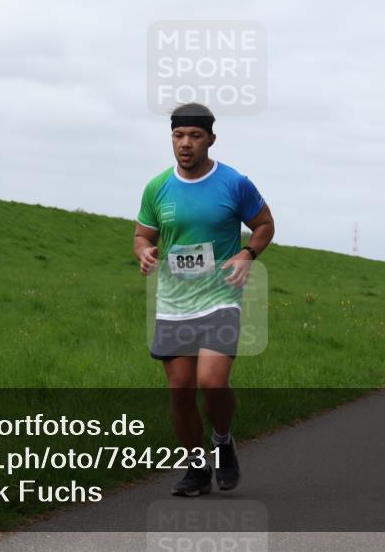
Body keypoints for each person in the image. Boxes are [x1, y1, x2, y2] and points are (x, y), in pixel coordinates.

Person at [134, 103, 275, 497]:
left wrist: (248, 253)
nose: (185, 144)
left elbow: (264, 224)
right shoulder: (157, 187)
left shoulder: (234, 183)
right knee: (180, 392)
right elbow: (142, 235)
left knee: (211, 383)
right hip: (174, 302)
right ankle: (197, 468)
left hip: (220, 297)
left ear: (211, 139)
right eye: (179, 136)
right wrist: (144, 250)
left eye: (195, 136)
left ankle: (223, 439)